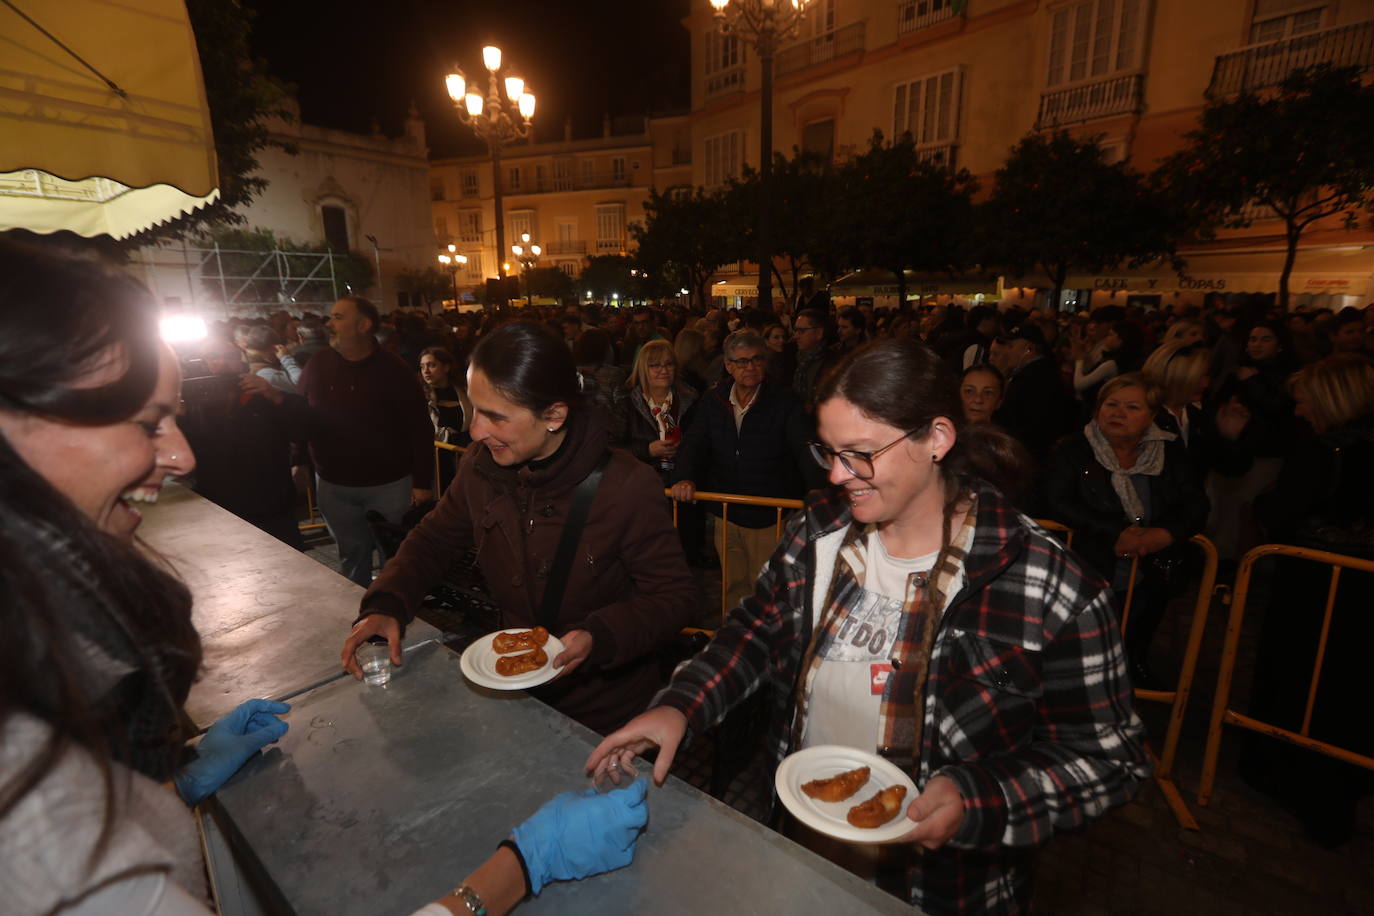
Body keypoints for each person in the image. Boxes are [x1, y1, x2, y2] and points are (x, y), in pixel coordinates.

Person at [590, 338, 1149, 915]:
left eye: (858, 453)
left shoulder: (1050, 587)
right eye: (828, 452)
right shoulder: (818, 534)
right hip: (797, 850)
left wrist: (981, 798)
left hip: (941, 890)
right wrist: (681, 705)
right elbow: (754, 633)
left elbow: (1109, 760)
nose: (837, 474)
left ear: (937, 438)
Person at [341, 322, 698, 734]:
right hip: (514, 693)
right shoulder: (480, 467)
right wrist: (387, 602)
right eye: (475, 409)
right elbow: (433, 540)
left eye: (496, 416)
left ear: (554, 415)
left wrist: (599, 635)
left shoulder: (626, 485)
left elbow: (674, 596)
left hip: (605, 713)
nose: (476, 431)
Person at [1237, 353, 1374, 848]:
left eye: (1305, 401)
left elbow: (1281, 511)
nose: (1299, 411)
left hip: (1314, 589)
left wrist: (1263, 505)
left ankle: (1299, 780)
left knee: (1306, 679)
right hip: (1355, 592)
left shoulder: (1323, 452)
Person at [1043, 373, 1208, 689]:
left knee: (1137, 629)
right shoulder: (1072, 450)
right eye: (1111, 404)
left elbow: (1195, 505)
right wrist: (1115, 532)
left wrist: (1165, 534)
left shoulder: (1169, 452)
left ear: (1152, 416)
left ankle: (1133, 667)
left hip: (1149, 567)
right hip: (1089, 566)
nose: (1119, 413)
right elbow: (1057, 502)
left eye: (1132, 407)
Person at [671, 330, 825, 612]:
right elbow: (694, 443)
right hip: (726, 510)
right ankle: (735, 635)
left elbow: (804, 449)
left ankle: (767, 637)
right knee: (732, 585)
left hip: (769, 512)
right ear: (728, 366)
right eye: (742, 362)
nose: (750, 367)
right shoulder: (713, 400)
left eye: (756, 360)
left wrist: (816, 490)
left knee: (767, 587)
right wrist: (684, 477)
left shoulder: (784, 402)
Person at [297, 297, 435, 586]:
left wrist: (422, 482)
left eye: (338, 317)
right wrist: (298, 460)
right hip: (334, 485)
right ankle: (358, 606)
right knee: (352, 556)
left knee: (394, 558)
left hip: (389, 486)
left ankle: (391, 605)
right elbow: (302, 415)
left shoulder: (394, 369)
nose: (329, 324)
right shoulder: (317, 365)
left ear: (363, 325)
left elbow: (419, 428)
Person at [181, 336, 307, 550]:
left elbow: (303, 428)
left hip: (271, 502)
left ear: (241, 360)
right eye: (213, 357)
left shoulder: (261, 393)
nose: (222, 362)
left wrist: (275, 395)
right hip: (219, 503)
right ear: (201, 362)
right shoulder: (192, 403)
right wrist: (176, 418)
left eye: (230, 356)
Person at [790, 308, 836, 412]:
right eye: (795, 330)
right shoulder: (791, 357)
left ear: (819, 333)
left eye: (801, 331)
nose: (796, 336)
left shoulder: (833, 363)